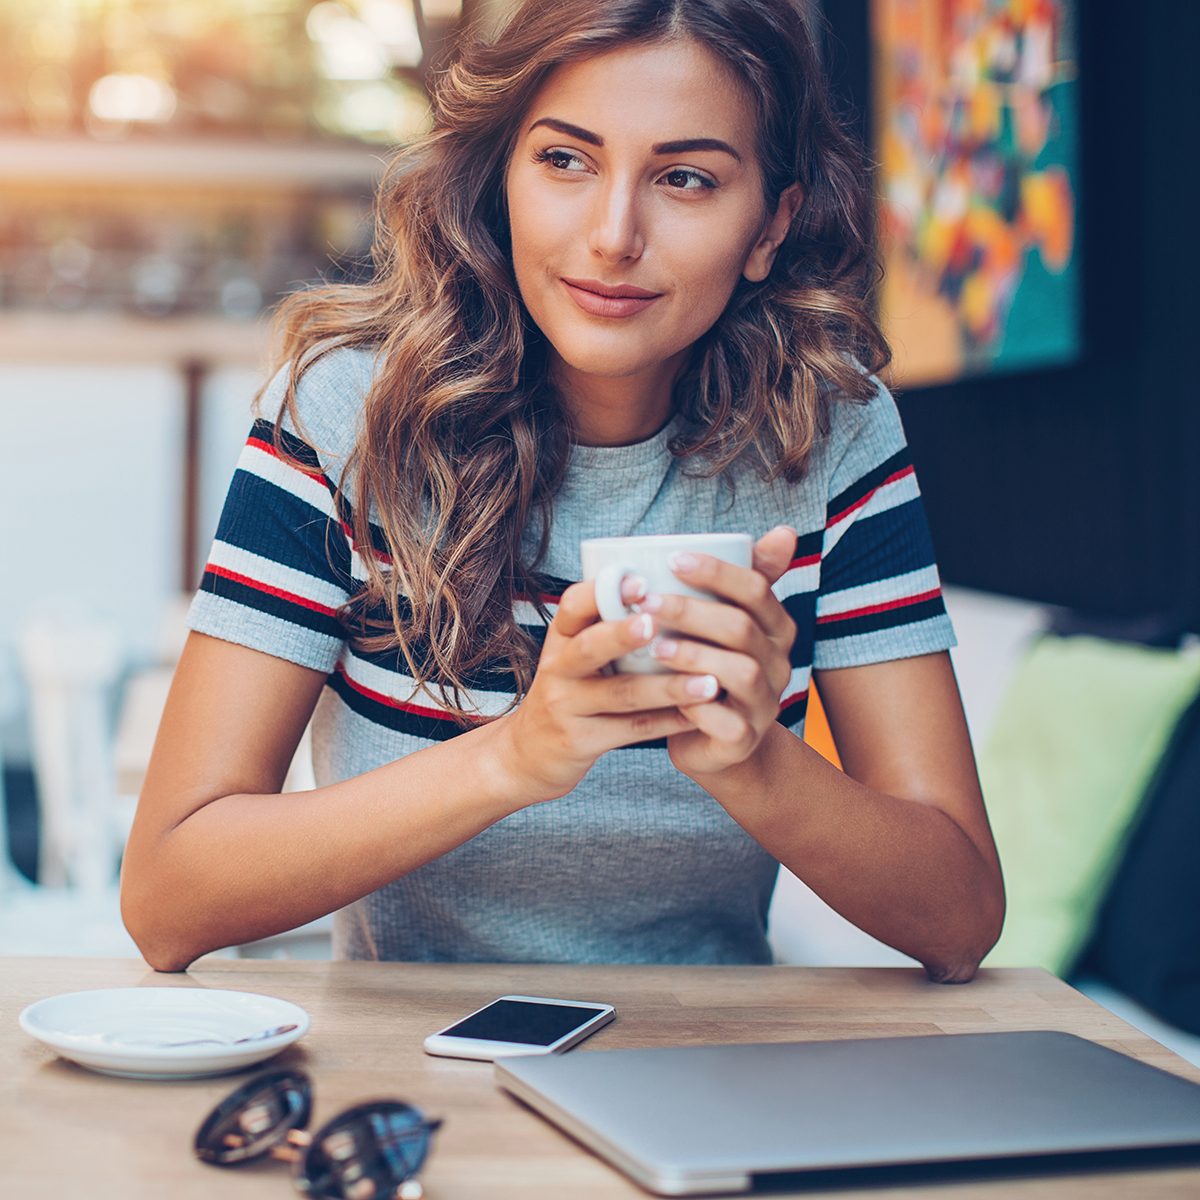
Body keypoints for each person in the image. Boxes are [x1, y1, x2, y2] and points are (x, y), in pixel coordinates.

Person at [121, 0, 1004, 978]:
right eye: (565, 160)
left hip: (722, 1070)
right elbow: (167, 899)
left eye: (685, 178)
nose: (613, 235)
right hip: (419, 1077)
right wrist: (516, 757)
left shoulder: (835, 430)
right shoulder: (344, 415)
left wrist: (758, 763)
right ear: (499, 180)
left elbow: (960, 921)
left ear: (769, 226)